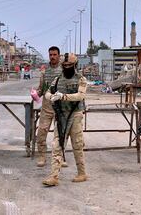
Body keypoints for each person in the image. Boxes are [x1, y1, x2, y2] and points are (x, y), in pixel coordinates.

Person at [42, 53, 88, 186]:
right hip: (61, 115)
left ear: (75, 65)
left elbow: (80, 95)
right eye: (65, 65)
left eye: (70, 65)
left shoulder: (81, 79)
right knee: (57, 145)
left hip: (75, 115)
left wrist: (63, 97)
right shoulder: (57, 79)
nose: (67, 67)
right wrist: (51, 97)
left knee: (77, 144)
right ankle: (54, 176)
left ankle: (82, 173)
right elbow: (47, 92)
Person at [33, 46, 64, 167]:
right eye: (50, 54)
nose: (52, 57)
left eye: (55, 54)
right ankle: (41, 155)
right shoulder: (44, 71)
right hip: (47, 107)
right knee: (41, 132)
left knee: (61, 133)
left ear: (59, 55)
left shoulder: (64, 70)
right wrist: (35, 94)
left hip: (60, 107)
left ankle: (61, 157)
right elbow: (41, 89)